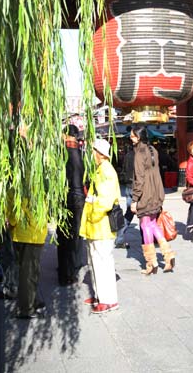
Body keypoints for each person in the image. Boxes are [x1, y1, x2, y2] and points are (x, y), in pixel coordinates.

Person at [81, 138, 120, 314]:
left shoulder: (106, 171)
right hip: (95, 225)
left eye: (93, 151)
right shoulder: (100, 170)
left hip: (101, 224)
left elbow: (105, 200)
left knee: (102, 262)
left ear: (99, 153)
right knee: (95, 261)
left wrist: (93, 214)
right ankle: (99, 295)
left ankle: (108, 300)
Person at [131, 126, 176, 274]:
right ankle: (168, 254)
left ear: (138, 137)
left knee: (145, 226)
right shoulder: (153, 150)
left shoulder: (139, 153)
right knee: (152, 224)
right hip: (157, 192)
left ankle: (151, 263)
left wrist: (135, 199)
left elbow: (139, 179)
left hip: (146, 194)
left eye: (132, 136)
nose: (130, 138)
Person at [7, 193, 48, 319]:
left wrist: (12, 222)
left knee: (29, 272)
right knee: (29, 273)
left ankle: (30, 301)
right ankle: (26, 308)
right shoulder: (29, 178)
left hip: (27, 233)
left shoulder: (20, 180)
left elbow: (14, 209)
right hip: (31, 234)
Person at [57, 125, 86, 285]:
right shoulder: (82, 154)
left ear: (67, 136)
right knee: (75, 236)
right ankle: (72, 269)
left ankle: (65, 271)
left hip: (66, 197)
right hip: (79, 197)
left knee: (64, 236)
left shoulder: (62, 154)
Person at [114, 132, 136, 249]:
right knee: (145, 216)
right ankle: (149, 240)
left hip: (129, 186)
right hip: (136, 186)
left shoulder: (128, 155)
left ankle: (120, 238)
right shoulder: (140, 155)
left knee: (129, 213)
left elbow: (124, 170)